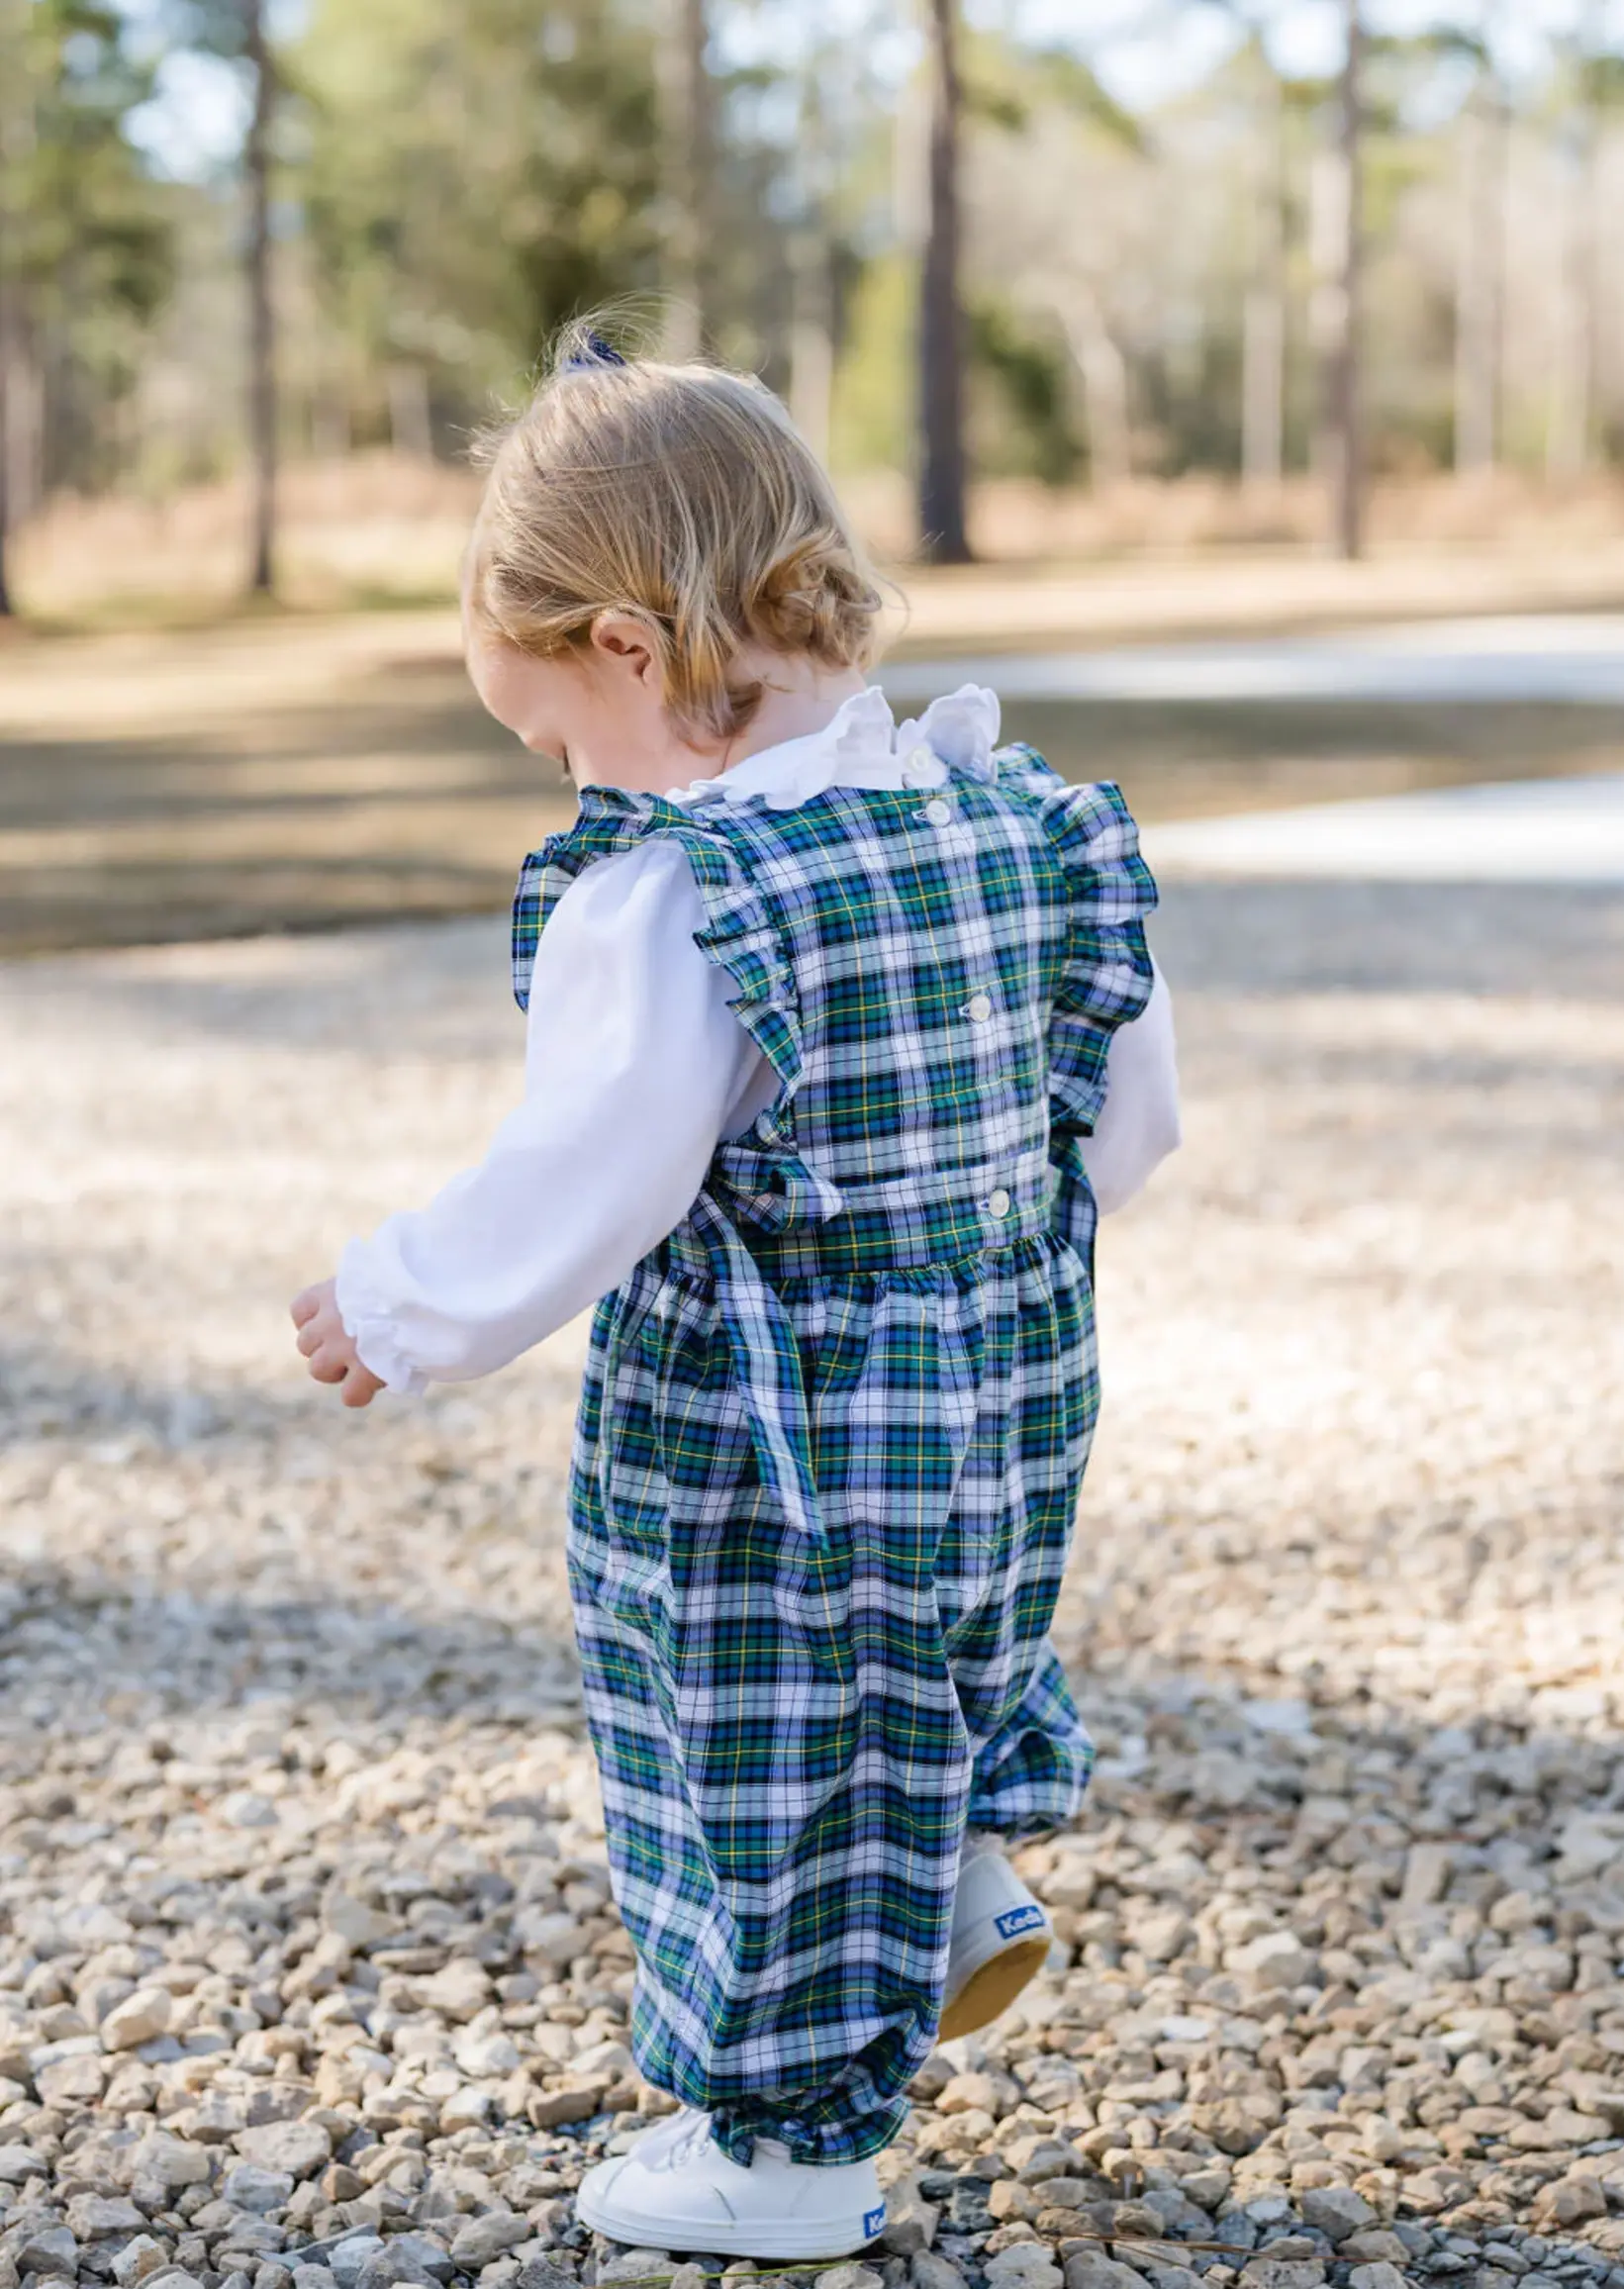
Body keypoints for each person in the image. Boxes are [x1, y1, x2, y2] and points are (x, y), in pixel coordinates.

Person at [291, 330, 1180, 2262]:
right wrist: (973, 1260)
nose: (569, 781)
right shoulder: (1012, 818)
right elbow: (1129, 1110)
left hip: (767, 1430)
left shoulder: (692, 891)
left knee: (749, 1734)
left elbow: (595, 1169)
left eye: (550, 738)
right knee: (931, 1649)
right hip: (1004, 1385)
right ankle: (950, 1871)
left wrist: (402, 1299)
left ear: (627, 646)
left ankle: (784, 2150)